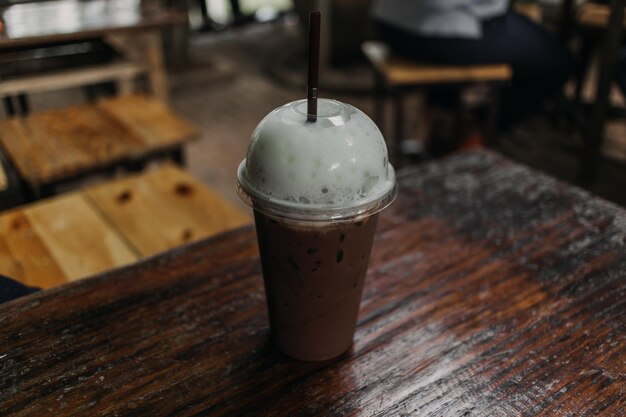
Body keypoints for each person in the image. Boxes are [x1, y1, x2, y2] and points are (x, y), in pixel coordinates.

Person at [371, 0, 576, 137]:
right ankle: (476, 130)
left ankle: (444, 112)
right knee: (557, 62)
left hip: (390, 22)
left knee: (540, 45)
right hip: (438, 27)